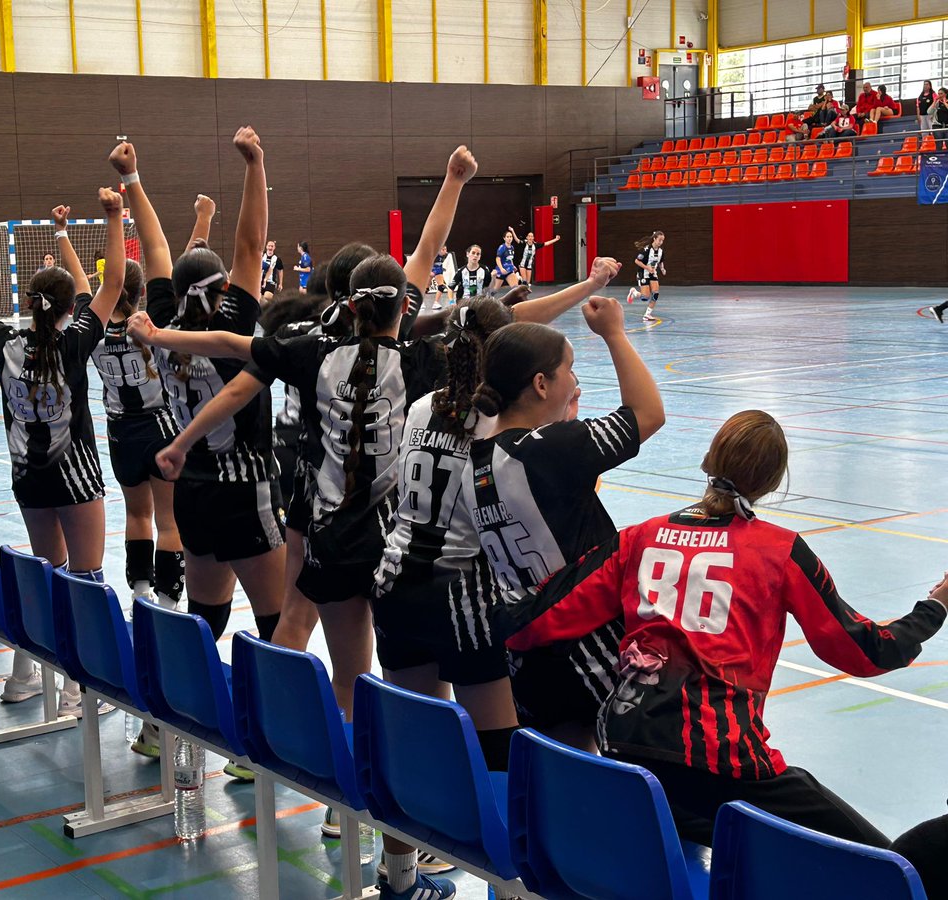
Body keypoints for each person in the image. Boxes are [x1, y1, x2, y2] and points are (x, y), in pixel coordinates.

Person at [140, 146, 482, 900]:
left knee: (306, 637)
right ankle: (369, 820)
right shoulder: (416, 358)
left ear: (346, 301)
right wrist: (454, 180)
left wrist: (174, 395)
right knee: (385, 680)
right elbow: (429, 252)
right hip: (389, 544)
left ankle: (278, 746)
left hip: (319, 526)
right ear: (403, 308)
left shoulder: (309, 350)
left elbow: (232, 358)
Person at [506, 410, 948, 893]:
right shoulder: (779, 551)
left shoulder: (639, 538)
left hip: (626, 749)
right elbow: (867, 652)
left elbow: (533, 623)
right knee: (892, 867)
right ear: (773, 480)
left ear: (709, 460)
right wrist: (934, 607)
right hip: (725, 765)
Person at [372, 257, 621, 779]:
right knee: (500, 751)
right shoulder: (501, 428)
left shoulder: (421, 407)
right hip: (459, 590)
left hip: (395, 577)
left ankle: (401, 857)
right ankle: (503, 853)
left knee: (415, 733)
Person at [0, 168, 126, 719]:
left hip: (27, 476)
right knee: (86, 580)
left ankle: (31, 675)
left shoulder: (6, 342)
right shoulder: (75, 343)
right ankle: (80, 689)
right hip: (76, 477)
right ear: (69, 310)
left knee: (46, 569)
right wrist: (114, 218)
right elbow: (109, 288)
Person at [123, 127, 285, 772]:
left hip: (192, 485)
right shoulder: (231, 329)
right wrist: (256, 162)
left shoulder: (163, 330)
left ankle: (166, 725)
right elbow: (249, 243)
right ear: (222, 289)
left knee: (206, 612)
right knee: (277, 622)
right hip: (244, 485)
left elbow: (158, 247)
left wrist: (134, 181)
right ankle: (259, 745)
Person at [462, 298, 665, 752]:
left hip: (528, 650)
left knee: (566, 764)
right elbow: (649, 413)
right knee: (633, 764)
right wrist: (614, 333)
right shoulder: (550, 448)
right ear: (540, 383)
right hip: (585, 645)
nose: (575, 381)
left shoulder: (478, 457)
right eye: (569, 370)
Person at [627, 231, 665, 322]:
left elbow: (660, 262)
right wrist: (647, 267)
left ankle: (647, 315)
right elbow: (637, 261)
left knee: (655, 294)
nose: (661, 242)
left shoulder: (661, 251)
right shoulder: (646, 250)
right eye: (659, 240)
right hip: (643, 273)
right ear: (654, 239)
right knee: (645, 297)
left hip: (653, 273)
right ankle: (634, 293)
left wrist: (662, 269)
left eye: (662, 240)